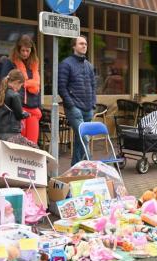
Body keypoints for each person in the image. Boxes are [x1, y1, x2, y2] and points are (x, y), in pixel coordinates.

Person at [58, 36, 96, 166]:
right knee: (84, 138)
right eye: (81, 43)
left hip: (88, 109)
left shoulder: (89, 66)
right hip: (74, 109)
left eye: (85, 43)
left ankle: (75, 169)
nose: (84, 46)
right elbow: (61, 87)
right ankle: (93, 167)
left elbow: (93, 86)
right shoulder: (66, 64)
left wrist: (93, 104)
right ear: (74, 46)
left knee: (80, 141)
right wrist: (71, 105)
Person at [0, 35, 42, 144]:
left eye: (28, 51)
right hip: (18, 107)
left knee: (32, 142)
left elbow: (37, 87)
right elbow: (4, 84)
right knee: (20, 143)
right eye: (22, 50)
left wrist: (39, 105)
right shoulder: (10, 63)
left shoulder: (34, 64)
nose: (25, 53)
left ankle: (31, 160)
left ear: (32, 51)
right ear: (18, 50)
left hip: (33, 107)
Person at [0, 69, 29, 141]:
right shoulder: (15, 95)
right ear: (17, 82)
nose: (20, 88)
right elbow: (19, 115)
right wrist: (26, 114)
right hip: (12, 131)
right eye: (21, 85)